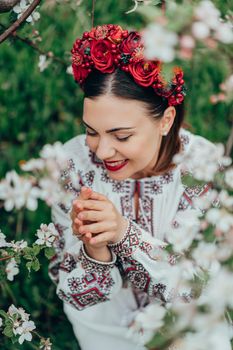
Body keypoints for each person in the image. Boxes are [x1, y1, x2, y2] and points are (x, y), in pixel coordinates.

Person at [48, 24, 215, 350]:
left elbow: (198, 289)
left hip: (185, 330)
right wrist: (94, 249)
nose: (101, 151)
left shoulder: (203, 170)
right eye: (91, 131)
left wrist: (124, 234)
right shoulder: (73, 165)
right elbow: (76, 295)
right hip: (105, 333)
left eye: (121, 136)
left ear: (166, 121)